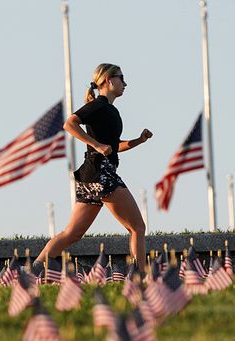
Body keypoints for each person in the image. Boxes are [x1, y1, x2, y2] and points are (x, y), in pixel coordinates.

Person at [35, 63, 152, 271]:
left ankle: (34, 271)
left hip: (91, 175)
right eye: (121, 78)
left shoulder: (110, 110)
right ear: (108, 80)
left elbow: (114, 146)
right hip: (102, 173)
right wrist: (97, 145)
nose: (125, 83)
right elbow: (70, 124)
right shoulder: (99, 105)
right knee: (137, 227)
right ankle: (141, 278)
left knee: (72, 233)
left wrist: (138, 140)